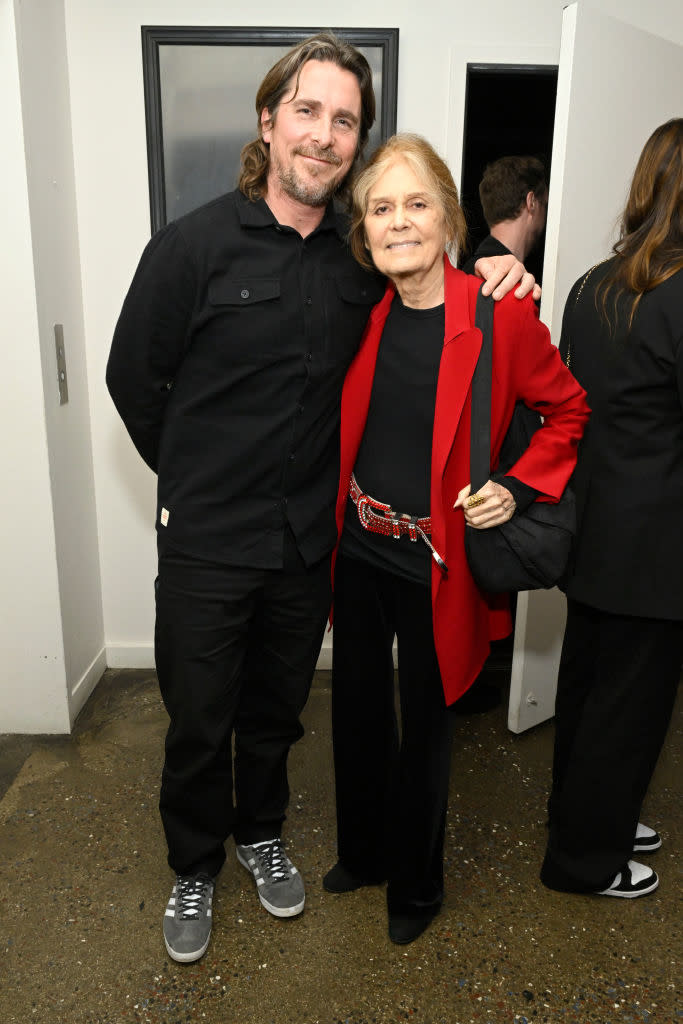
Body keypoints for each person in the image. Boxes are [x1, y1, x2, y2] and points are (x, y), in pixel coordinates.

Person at [107, 33, 538, 965]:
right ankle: (194, 863)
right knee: (198, 719)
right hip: (208, 546)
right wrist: (190, 483)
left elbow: (437, 299)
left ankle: (260, 833)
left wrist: (501, 269)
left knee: (275, 714)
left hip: (310, 546)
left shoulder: (357, 260)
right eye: (308, 111)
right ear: (269, 121)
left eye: (344, 120)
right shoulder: (191, 248)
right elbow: (133, 381)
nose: (324, 134)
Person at [323, 134, 589, 944]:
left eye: (415, 203)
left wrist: (513, 487)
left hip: (438, 563)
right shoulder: (360, 313)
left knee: (427, 726)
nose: (398, 222)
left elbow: (569, 411)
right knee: (357, 711)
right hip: (360, 545)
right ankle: (361, 853)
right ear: (363, 232)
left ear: (448, 220)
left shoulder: (498, 315)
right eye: (379, 208)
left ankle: (416, 884)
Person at [540, 118, 683, 899]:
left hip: (591, 528)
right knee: (627, 706)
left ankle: (587, 817)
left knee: (587, 689)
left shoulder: (593, 282)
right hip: (655, 547)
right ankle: (581, 861)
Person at [462, 155, 548, 273]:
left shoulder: (475, 267)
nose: (546, 216)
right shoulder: (497, 275)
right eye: (544, 204)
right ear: (531, 202)